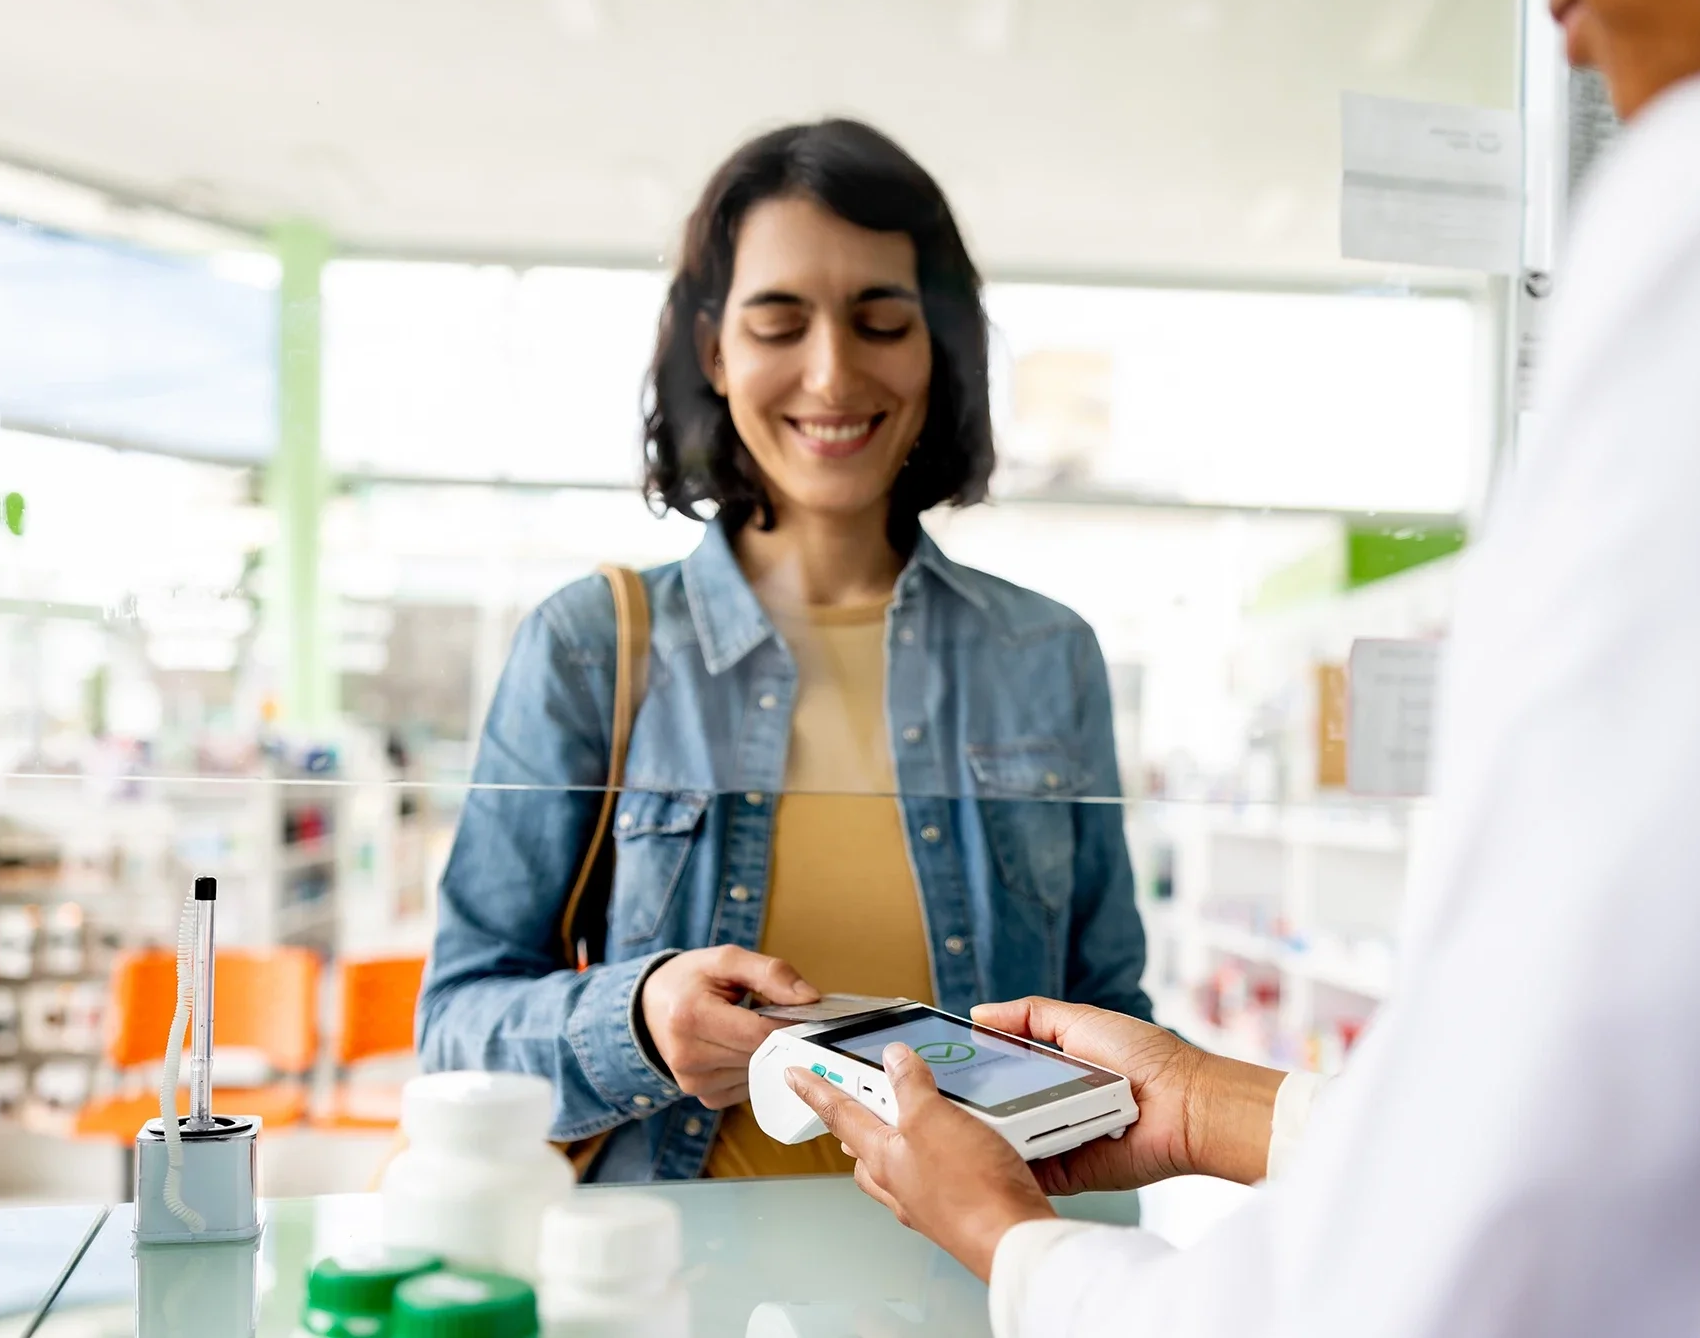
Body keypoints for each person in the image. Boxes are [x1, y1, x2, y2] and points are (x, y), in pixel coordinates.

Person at [789, 0, 1700, 1332]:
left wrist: (1017, 1247)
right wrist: (1220, 1106)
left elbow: (1518, 1252)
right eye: (778, 318)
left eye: (885, 319)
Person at [419, 119, 1154, 1183]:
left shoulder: (1045, 655)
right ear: (714, 351)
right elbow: (453, 1027)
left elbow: (1110, 1025)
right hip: (683, 1286)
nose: (832, 371)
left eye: (880, 319)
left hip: (975, 1285)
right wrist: (636, 1015)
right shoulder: (591, 646)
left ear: (936, 345)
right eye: (779, 323)